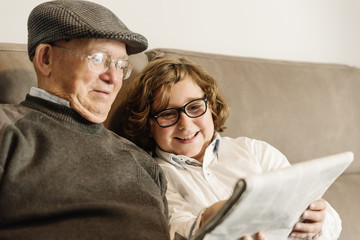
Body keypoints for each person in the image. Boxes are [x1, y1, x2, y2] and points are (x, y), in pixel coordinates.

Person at [111, 57, 342, 240]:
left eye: (194, 107)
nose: (185, 124)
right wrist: (214, 216)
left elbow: (319, 210)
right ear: (149, 125)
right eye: (168, 114)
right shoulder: (156, 175)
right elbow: (176, 227)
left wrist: (319, 222)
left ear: (210, 107)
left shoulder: (255, 152)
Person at [0, 1, 170, 239]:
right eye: (99, 58)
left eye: (121, 65)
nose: (113, 77)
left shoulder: (146, 165)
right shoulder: (7, 130)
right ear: (46, 59)